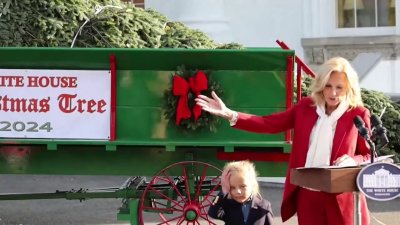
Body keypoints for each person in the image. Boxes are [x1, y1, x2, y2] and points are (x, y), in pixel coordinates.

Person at [197, 57, 371, 225]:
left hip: (341, 197)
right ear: (321, 86)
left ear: (349, 87)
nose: (333, 93)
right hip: (308, 194)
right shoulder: (305, 108)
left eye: (339, 87)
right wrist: (230, 114)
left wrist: (351, 160)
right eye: (328, 86)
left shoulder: (358, 114)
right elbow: (269, 123)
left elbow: (367, 154)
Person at [208, 160, 274, 225]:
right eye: (232, 187)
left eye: (243, 186)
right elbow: (213, 213)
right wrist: (223, 192)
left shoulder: (264, 206)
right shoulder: (227, 204)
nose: (238, 192)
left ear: (252, 184)